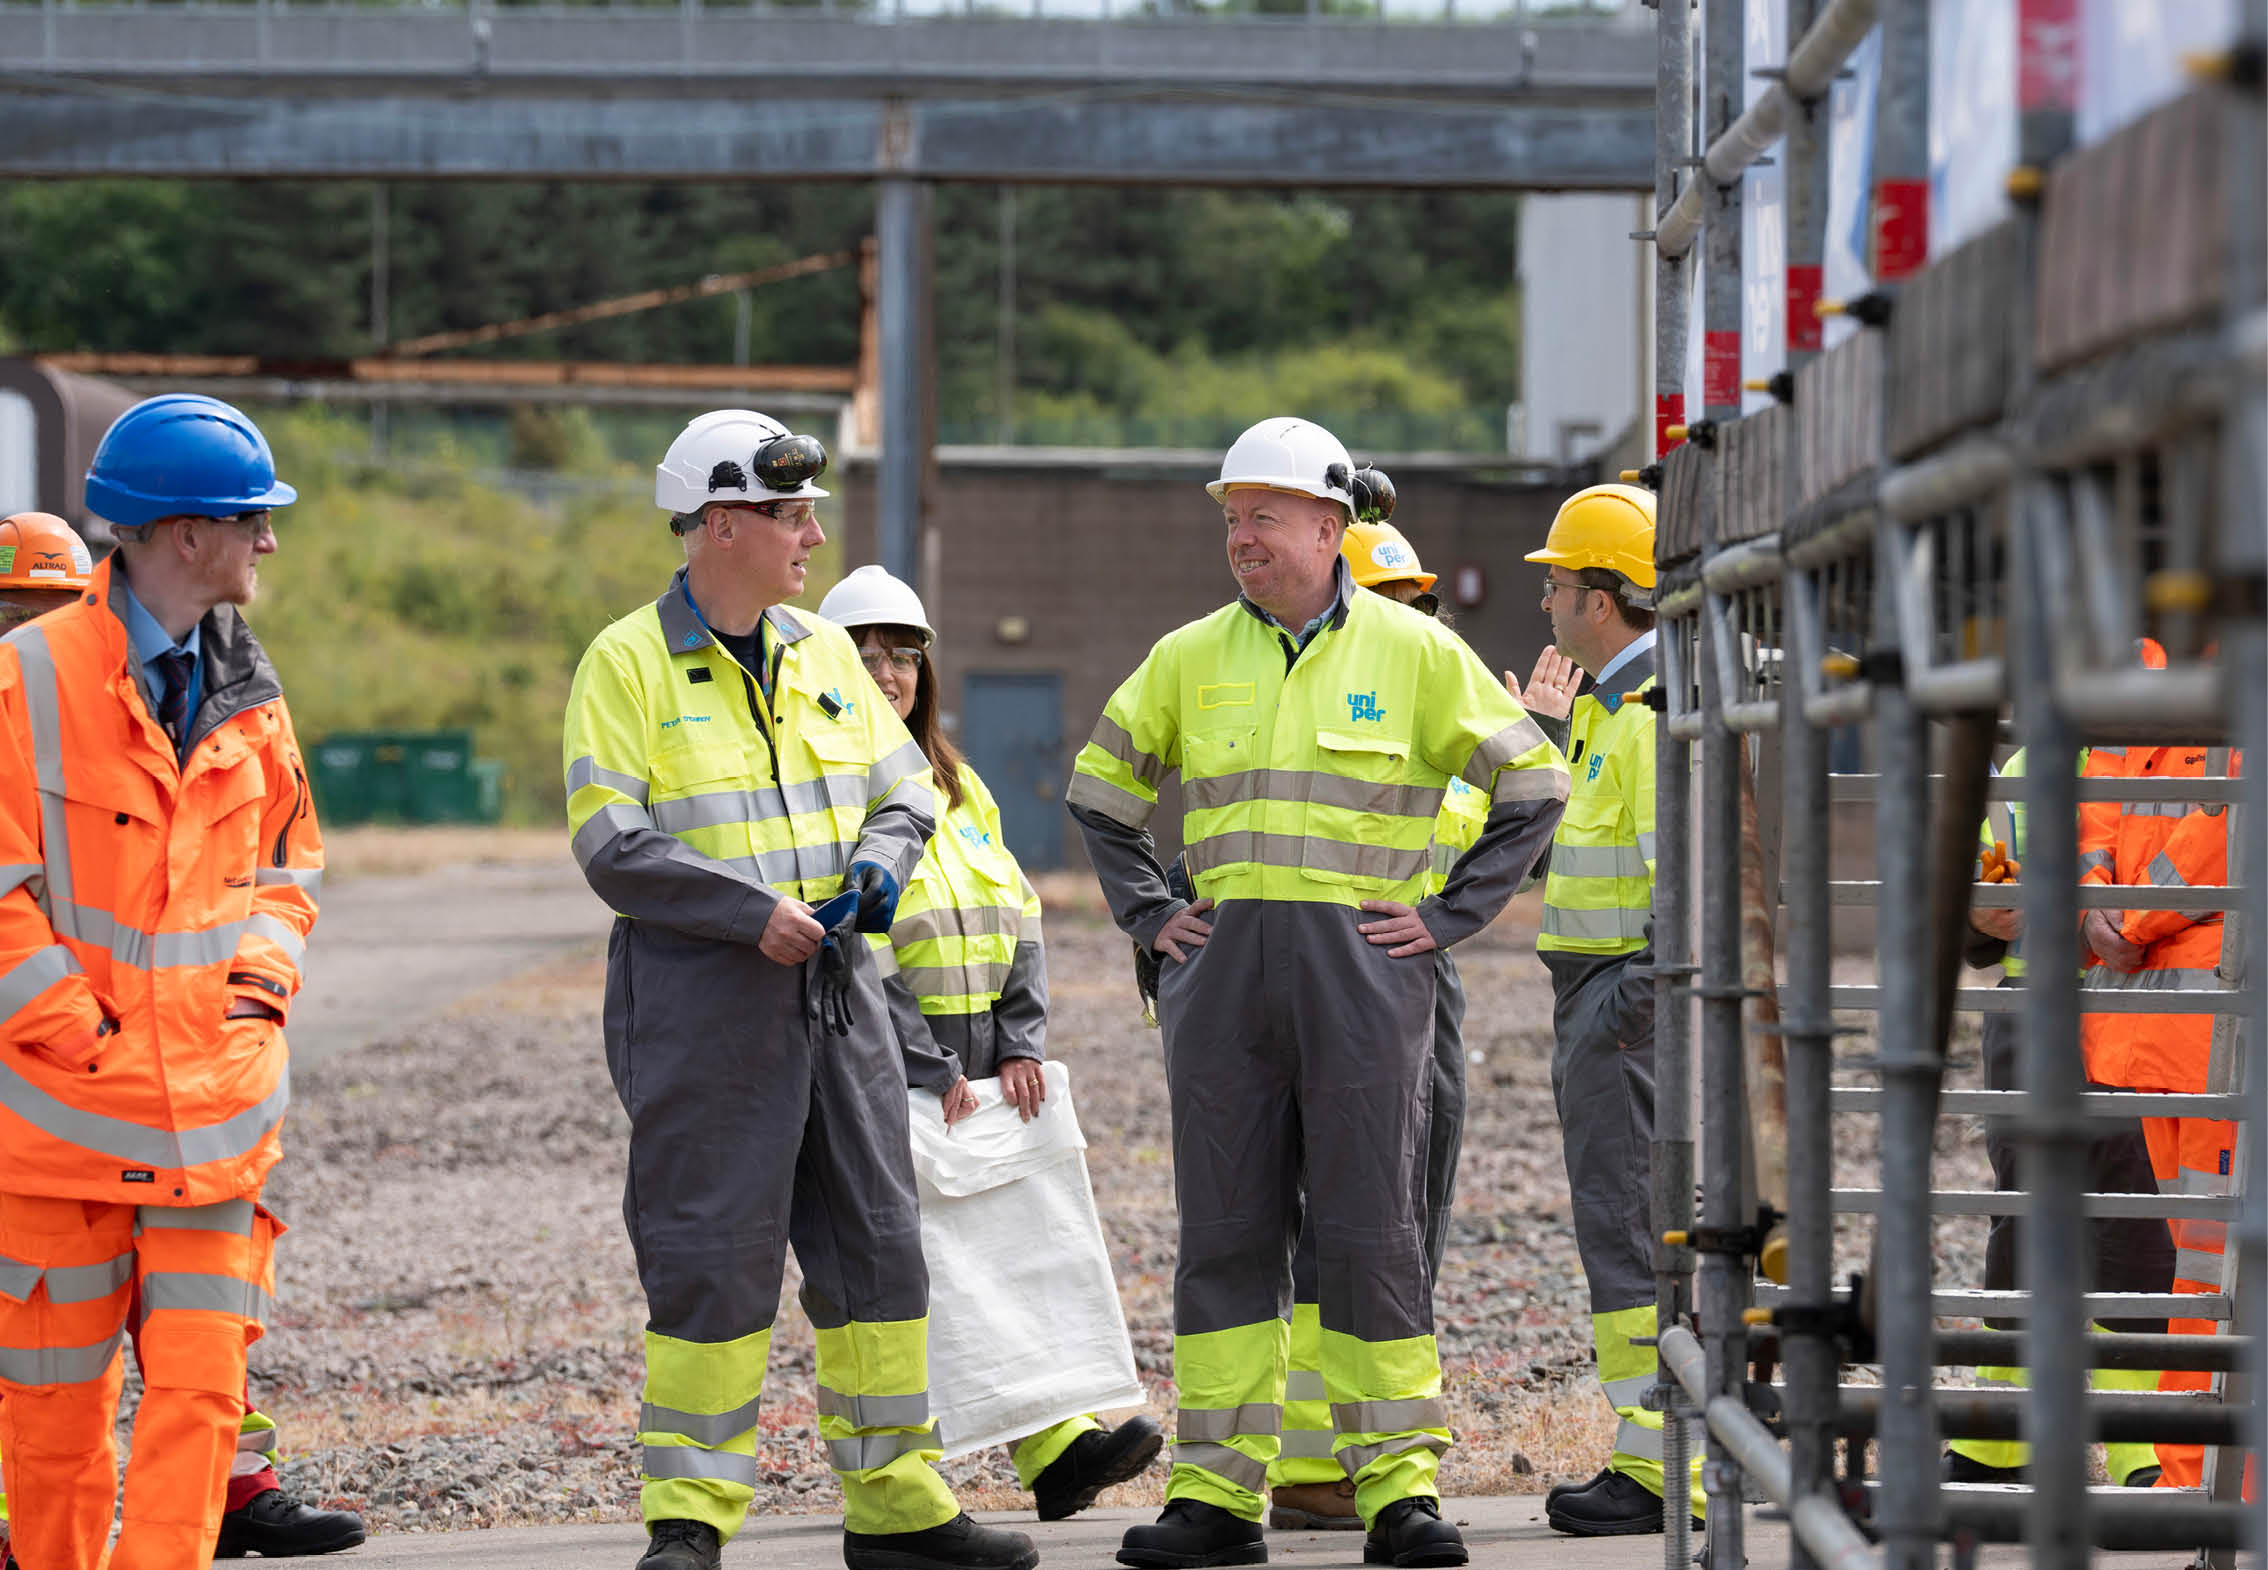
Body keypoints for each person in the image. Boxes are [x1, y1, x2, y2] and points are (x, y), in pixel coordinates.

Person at [1068, 417, 1569, 1570]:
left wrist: (1448, 916)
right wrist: (1151, 913)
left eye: (1264, 517)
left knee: (1369, 1233)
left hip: (1365, 977)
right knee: (1227, 1232)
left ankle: (1395, 1488)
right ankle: (1214, 1495)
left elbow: (1531, 784)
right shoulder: (1189, 654)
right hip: (1223, 979)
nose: (1242, 537)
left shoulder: (1414, 651)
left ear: (1331, 526)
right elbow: (1102, 793)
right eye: (1232, 518)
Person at [563, 411, 1037, 1570]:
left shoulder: (823, 655)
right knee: (711, 1253)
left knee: (878, 1242)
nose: (812, 536)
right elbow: (608, 842)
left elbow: (906, 791)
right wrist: (746, 914)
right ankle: (690, 1517)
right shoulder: (625, 661)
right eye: (790, 517)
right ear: (719, 525)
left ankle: (897, 1504)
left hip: (841, 993)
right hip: (701, 1001)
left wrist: (878, 863)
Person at [0, 510, 362, 1564]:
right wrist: (74, 1028)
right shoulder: (26, 680)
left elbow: (289, 867)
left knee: (203, 1405)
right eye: (255, 522)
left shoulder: (249, 684)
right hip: (66, 1119)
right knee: (56, 1424)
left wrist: (255, 992)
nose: (274, 544)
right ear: (189, 534)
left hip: (213, 1121)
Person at [819, 564, 1165, 1522]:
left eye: (903, 656)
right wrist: (925, 1068)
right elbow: (858, 943)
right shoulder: (826, 787)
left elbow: (1017, 911)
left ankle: (1054, 1448)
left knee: (1000, 1252)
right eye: (864, 655)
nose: (887, 673)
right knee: (914, 1266)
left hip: (978, 1060)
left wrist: (1019, 1041)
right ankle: (914, 1472)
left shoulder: (956, 780)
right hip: (886, 1064)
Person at [1265, 485, 1485, 1533]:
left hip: (1387, 965)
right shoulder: (1344, 702)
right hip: (1372, 969)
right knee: (1378, 1215)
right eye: (1395, 596)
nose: (1411, 620)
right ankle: (1354, 1455)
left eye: (1417, 601)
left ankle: (1328, 1453)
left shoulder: (1410, 690)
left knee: (1366, 1216)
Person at [1508, 483, 1701, 1537]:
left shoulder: (1653, 718)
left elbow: (1693, 895)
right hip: (1608, 995)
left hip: (1625, 999)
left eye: (1557, 585)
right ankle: (1663, 1449)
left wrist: (1631, 1001)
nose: (1546, 605)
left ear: (1604, 600)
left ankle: (1667, 1461)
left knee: (1633, 1230)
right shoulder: (1608, 711)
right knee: (1628, 1226)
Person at [1944, 747, 2174, 1489]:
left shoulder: (2175, 759)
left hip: (2148, 1012)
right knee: (2024, 1217)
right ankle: (1999, 1444)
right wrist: (1979, 914)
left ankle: (2142, 1449)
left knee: (2140, 1221)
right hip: (2032, 1017)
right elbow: (1969, 895)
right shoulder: (2015, 765)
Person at [2074, 706, 2246, 1492]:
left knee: (2224, 1264)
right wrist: (2091, 898)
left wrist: (2124, 919)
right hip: (2164, 1034)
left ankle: (2210, 1479)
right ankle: (2196, 1474)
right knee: (2200, 1264)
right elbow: (2098, 806)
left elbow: (2229, 827)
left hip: (2218, 1031)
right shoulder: (2148, 681)